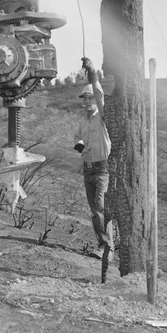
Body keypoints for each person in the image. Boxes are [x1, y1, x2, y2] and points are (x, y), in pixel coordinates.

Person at [74, 57, 114, 262]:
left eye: (89, 98)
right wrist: (80, 145)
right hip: (88, 169)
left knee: (100, 207)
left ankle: (107, 248)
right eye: (84, 98)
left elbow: (99, 94)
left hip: (102, 169)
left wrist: (92, 74)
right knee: (94, 210)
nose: (86, 101)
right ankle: (102, 245)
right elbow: (78, 138)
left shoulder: (102, 116)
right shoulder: (83, 122)